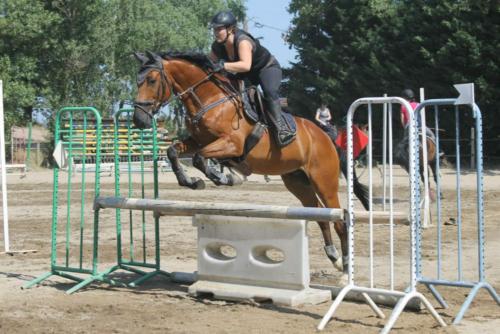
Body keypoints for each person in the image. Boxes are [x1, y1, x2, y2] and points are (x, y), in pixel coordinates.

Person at [209, 10, 295, 147]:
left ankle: (282, 129)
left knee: (269, 91)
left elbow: (245, 65)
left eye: (219, 29)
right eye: (214, 29)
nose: (215, 32)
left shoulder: (242, 41)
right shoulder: (217, 46)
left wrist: (223, 65)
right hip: (247, 74)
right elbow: (209, 65)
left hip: (267, 68)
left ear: (230, 29)